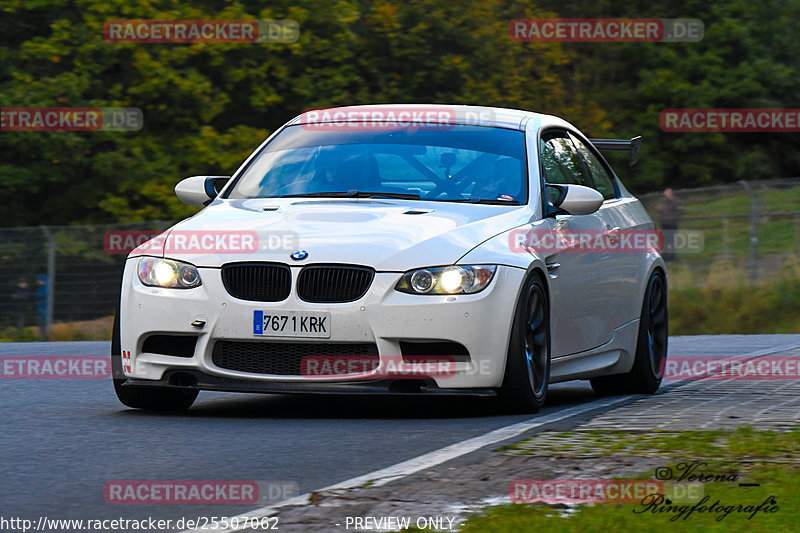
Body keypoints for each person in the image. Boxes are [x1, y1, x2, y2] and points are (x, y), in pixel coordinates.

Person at [654, 188, 684, 262]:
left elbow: (681, 210)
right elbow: (657, 208)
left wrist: (675, 214)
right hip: (664, 223)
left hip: (672, 223)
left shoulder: (676, 201)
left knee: (672, 240)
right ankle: (665, 257)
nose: (666, 194)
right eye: (665, 193)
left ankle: (672, 257)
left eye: (668, 193)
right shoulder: (662, 201)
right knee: (664, 240)